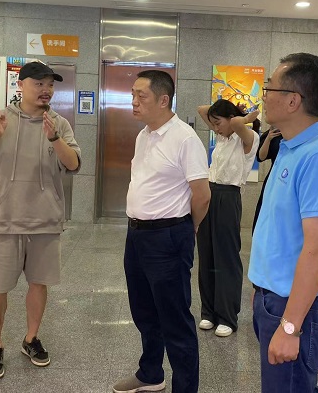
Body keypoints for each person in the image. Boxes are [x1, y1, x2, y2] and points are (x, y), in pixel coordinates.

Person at [0, 61, 81, 380]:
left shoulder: (59, 123)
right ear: (21, 85)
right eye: (39, 84)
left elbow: (73, 164)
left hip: (45, 220)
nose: (46, 90)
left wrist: (55, 138)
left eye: (50, 85)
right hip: (4, 219)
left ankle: (31, 338)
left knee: (38, 283)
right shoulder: (0, 119)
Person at [249, 53, 318, 392]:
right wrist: (260, 290)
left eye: (269, 88)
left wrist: (290, 326)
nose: (264, 96)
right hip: (274, 299)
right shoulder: (291, 147)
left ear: (293, 101)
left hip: (295, 308)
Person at [113, 70, 211, 393]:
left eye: (141, 95)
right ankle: (151, 373)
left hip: (168, 237)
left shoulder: (185, 139)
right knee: (144, 311)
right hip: (137, 236)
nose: (134, 101)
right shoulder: (144, 135)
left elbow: (202, 195)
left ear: (163, 99)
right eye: (132, 94)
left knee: (175, 320)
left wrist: (187, 229)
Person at [196, 100, 259, 337]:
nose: (215, 128)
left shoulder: (248, 138)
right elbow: (202, 109)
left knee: (226, 258)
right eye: (213, 124)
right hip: (209, 193)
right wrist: (230, 118)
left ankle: (227, 317)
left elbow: (236, 123)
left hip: (228, 197)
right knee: (207, 254)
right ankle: (208, 312)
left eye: (218, 123)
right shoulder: (222, 137)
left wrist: (244, 118)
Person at [251, 126, 283, 234]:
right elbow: (261, 157)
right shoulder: (273, 133)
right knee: (264, 212)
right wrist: (269, 138)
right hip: (273, 176)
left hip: (288, 178)